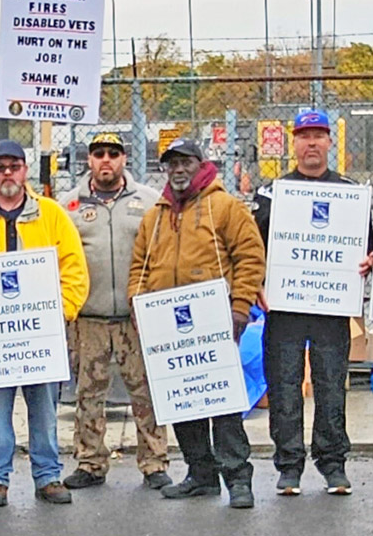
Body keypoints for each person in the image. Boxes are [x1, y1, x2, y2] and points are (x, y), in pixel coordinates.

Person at [0, 139, 89, 508]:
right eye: (0, 167)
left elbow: (73, 268)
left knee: (43, 408)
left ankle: (48, 475)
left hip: (41, 334)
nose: (7, 173)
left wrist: (61, 312)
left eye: (14, 166)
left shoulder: (51, 214)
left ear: (25, 170)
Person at [128, 138, 265, 510]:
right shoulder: (154, 216)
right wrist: (137, 305)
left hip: (215, 323)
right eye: (171, 164)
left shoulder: (225, 207)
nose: (178, 170)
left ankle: (238, 478)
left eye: (185, 162)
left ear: (201, 164)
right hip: (169, 329)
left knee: (222, 402)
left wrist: (240, 308)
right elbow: (139, 266)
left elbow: (250, 257)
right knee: (183, 402)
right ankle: (200, 475)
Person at [253, 109, 373, 496]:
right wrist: (255, 283)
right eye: (305, 136)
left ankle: (333, 464)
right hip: (285, 308)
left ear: (329, 142)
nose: (312, 143)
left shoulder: (352, 193)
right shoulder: (272, 192)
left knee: (330, 386)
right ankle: (289, 467)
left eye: (319, 135)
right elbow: (252, 248)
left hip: (330, 306)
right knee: (285, 387)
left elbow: (367, 242)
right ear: (294, 142)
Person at [59, 132, 171, 491]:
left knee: (146, 391)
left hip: (135, 317)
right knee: (88, 392)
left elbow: (163, 252)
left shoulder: (151, 201)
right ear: (89, 160)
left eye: (113, 153)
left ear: (124, 159)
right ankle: (90, 461)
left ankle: (154, 462)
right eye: (98, 154)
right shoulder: (69, 206)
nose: (105, 160)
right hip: (89, 317)